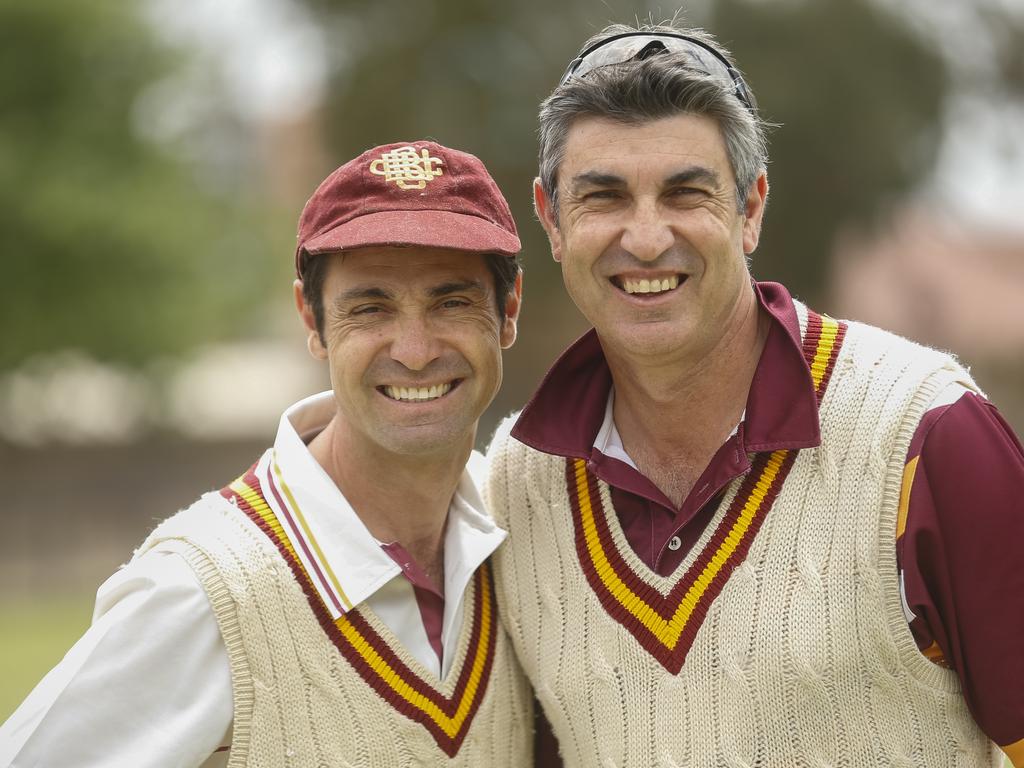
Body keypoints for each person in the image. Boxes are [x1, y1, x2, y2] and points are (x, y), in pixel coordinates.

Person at [484, 21, 1024, 767]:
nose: (644, 238)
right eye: (603, 196)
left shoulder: (927, 433)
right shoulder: (514, 486)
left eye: (686, 192)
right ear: (550, 218)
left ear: (751, 208)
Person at [1, 140, 535, 767]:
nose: (415, 350)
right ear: (311, 319)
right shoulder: (202, 593)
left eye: (451, 302)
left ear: (508, 310)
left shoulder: (523, 532)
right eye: (370, 307)